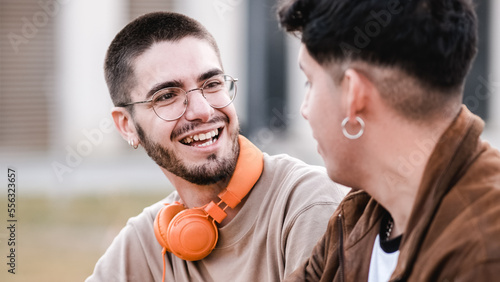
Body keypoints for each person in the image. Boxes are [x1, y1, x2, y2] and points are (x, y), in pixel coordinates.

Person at [86, 11, 347, 282]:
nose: (202, 110)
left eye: (211, 84)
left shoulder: (308, 205)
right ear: (126, 125)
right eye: (167, 96)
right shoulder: (144, 242)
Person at [278, 0, 500, 281]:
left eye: (310, 82)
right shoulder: (357, 214)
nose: (304, 109)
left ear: (353, 95)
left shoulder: (485, 247)